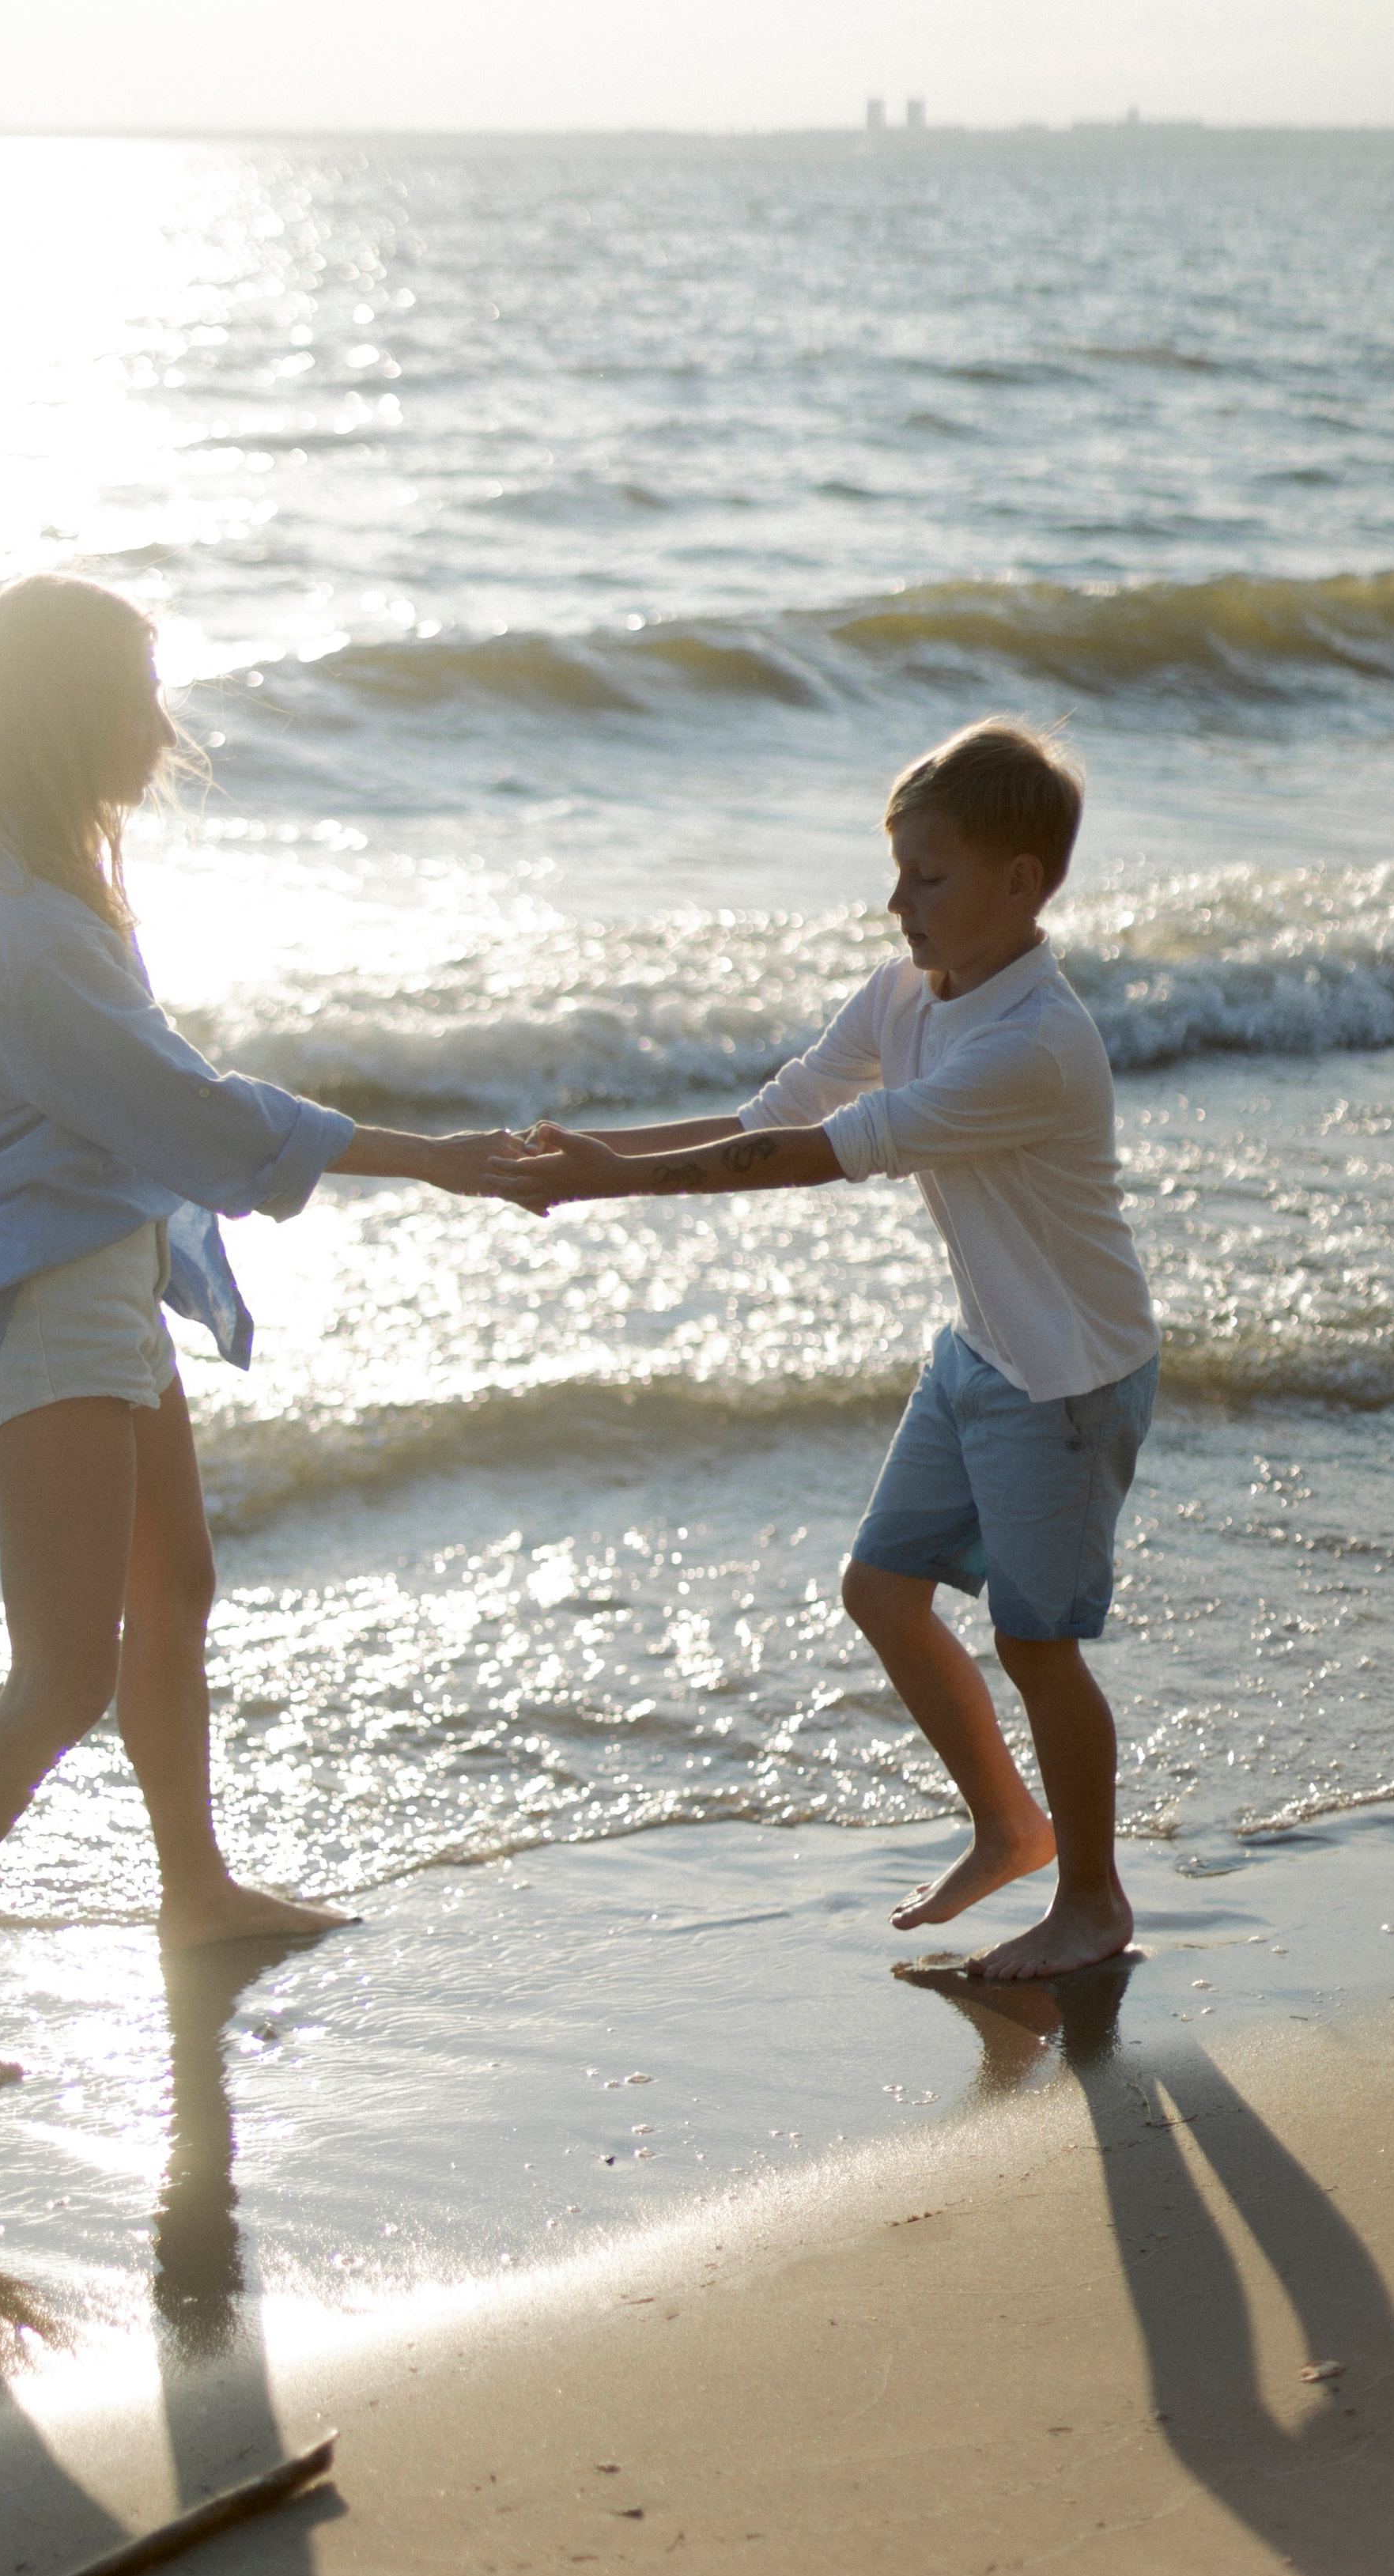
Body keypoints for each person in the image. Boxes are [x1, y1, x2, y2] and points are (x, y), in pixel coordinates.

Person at [0, 573, 523, 2092]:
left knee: (174, 1587)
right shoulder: (20, 914)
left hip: (96, 1274)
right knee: (60, 1677)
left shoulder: (30, 857)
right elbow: (189, 1113)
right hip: (44, 1301)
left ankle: (193, 1892)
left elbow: (156, 1115)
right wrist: (433, 1156)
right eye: (134, 692)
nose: (160, 722)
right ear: (71, 713)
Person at [491, 718, 1159, 1983]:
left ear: (1021, 883)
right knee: (880, 1590)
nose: (896, 900)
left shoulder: (1034, 1046)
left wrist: (602, 1189)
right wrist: (599, 1158)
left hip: (1069, 1378)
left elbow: (807, 1160)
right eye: (898, 868)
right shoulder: (911, 994)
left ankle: (1094, 1899)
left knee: (1036, 1644)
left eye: (929, 875)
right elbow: (772, 1114)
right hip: (983, 1352)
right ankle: (1008, 1826)